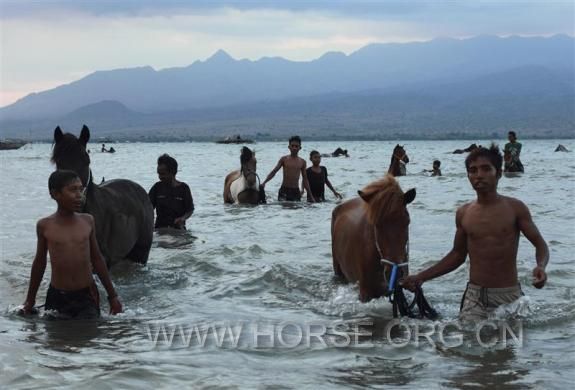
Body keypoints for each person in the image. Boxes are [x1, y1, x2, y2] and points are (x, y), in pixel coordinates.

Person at [401, 144, 548, 322]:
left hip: (509, 296)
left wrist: (540, 266)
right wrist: (420, 277)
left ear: (499, 173)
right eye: (473, 170)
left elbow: (540, 244)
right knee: (468, 344)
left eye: (486, 169)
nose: (479, 175)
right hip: (475, 297)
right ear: (468, 176)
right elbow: (457, 255)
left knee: (508, 347)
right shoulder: (464, 213)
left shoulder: (515, 208)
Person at [21, 170, 122, 319]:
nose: (79, 195)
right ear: (55, 194)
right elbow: (39, 263)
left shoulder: (88, 221)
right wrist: (30, 300)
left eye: (81, 189)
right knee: (56, 338)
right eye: (73, 190)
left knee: (89, 336)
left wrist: (112, 296)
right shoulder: (45, 226)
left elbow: (97, 259)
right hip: (57, 296)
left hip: (87, 296)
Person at [260, 136, 316, 202]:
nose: (294, 148)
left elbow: (305, 179)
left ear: (300, 148)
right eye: (292, 146)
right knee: (283, 210)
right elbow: (274, 171)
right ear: (289, 147)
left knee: (296, 210)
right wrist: (264, 182)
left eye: (296, 146)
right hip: (284, 190)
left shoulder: (302, 162)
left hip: (295, 191)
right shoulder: (284, 159)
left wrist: (310, 196)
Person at [149, 154, 194, 229]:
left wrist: (182, 219)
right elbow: (148, 208)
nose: (160, 177)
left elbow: (190, 210)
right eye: (158, 174)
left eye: (163, 174)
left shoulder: (184, 188)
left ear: (173, 172)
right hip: (160, 229)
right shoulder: (157, 187)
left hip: (178, 229)